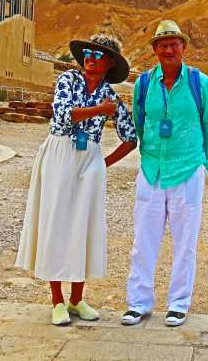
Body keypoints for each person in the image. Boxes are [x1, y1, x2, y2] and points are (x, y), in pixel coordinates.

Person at [15, 34, 138, 326]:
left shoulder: (112, 96)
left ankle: (77, 299)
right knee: (56, 223)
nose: (90, 58)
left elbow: (131, 137)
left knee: (83, 225)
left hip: (89, 159)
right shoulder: (69, 80)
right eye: (88, 53)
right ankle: (56, 300)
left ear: (110, 63)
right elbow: (62, 115)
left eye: (98, 55)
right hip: (60, 153)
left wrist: (102, 164)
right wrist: (100, 111)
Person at [121, 20, 208, 328]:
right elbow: (140, 120)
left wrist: (203, 160)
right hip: (152, 170)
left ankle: (178, 303)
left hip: (187, 169)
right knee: (143, 240)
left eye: (174, 44)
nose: (168, 49)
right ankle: (138, 303)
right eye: (162, 45)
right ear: (154, 50)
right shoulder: (144, 84)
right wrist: (147, 153)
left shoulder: (199, 83)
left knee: (185, 240)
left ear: (183, 48)